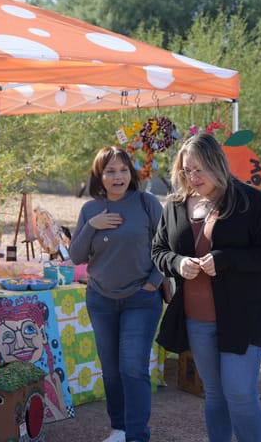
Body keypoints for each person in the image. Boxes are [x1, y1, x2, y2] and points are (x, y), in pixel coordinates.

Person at [151, 133, 261, 442]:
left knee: (239, 393)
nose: (192, 178)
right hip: (197, 318)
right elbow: (158, 251)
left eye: (199, 170)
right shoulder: (175, 206)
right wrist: (178, 263)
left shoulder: (248, 200)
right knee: (214, 394)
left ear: (216, 164)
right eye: (186, 171)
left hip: (242, 314)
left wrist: (226, 259)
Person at [69, 146, 164, 442]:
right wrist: (91, 227)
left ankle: (137, 435)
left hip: (141, 299)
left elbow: (169, 245)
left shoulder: (146, 203)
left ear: (131, 172)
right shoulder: (90, 209)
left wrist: (155, 281)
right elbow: (76, 256)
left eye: (123, 169)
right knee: (110, 371)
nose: (117, 176)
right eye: (110, 171)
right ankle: (119, 428)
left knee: (132, 367)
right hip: (101, 300)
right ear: (100, 175)